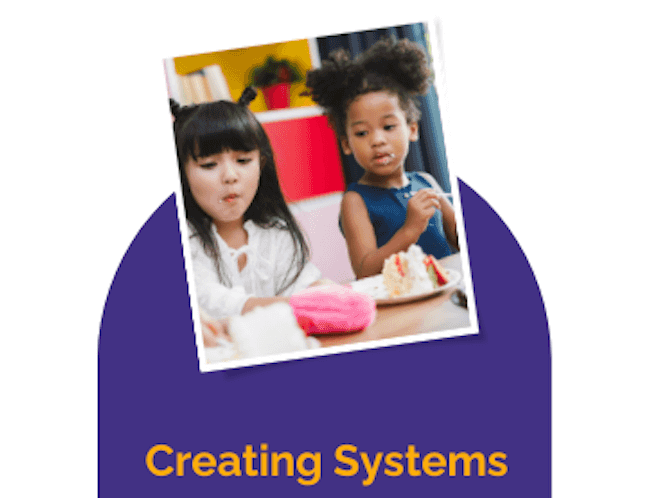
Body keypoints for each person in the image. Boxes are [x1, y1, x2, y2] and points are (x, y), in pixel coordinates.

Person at [306, 38, 460, 278]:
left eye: (388, 126)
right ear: (346, 143)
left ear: (411, 129)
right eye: (362, 133)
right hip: (403, 308)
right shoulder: (355, 201)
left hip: (448, 294)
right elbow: (365, 270)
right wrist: (410, 229)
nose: (377, 140)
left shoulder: (426, 182)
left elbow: (461, 238)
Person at [175, 87, 320, 322]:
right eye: (209, 165)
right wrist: (300, 306)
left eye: (243, 160)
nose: (230, 176)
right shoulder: (184, 242)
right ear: (181, 172)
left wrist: (323, 291)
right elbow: (209, 302)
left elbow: (307, 284)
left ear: (261, 164)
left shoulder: (276, 233)